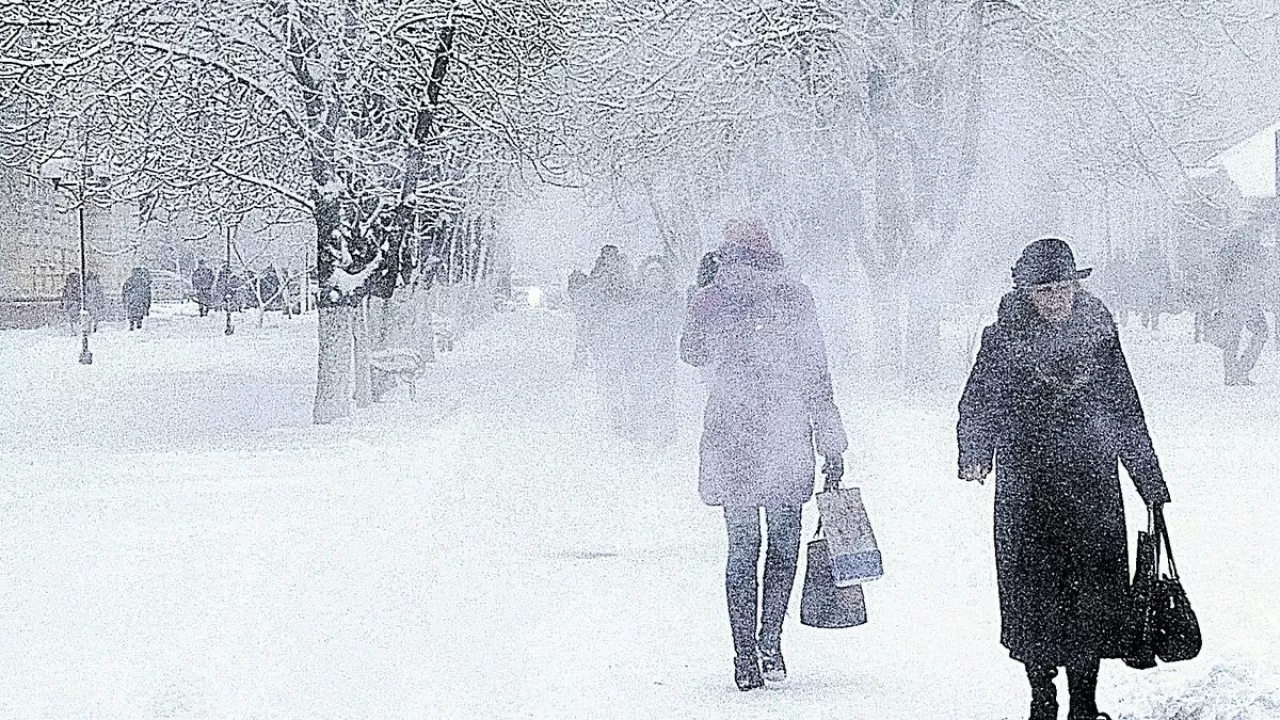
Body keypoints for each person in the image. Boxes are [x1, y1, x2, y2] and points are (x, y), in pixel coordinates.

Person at [957, 238, 1171, 720]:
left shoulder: (1098, 331)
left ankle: (1085, 704)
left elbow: (1124, 407)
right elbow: (978, 400)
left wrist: (1149, 480)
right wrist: (974, 450)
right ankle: (1041, 697)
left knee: (1092, 597)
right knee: (1034, 597)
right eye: (1046, 290)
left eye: (1064, 287)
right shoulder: (1003, 338)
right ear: (1027, 293)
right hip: (1027, 488)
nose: (1057, 298)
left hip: (1092, 483)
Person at [681, 217, 848, 691]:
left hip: (732, 433)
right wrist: (831, 441)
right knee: (782, 545)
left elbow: (690, 353)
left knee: (742, 548)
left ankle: (743, 656)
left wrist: (700, 293)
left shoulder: (711, 296)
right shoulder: (795, 296)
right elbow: (818, 371)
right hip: (787, 429)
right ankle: (769, 642)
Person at [1214, 235, 1268, 385]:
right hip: (1244, 300)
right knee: (1259, 333)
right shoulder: (1247, 251)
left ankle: (1232, 373)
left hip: (1235, 300)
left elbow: (1221, 280)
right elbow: (1253, 277)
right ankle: (1240, 371)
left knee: (1234, 336)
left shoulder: (1230, 253)